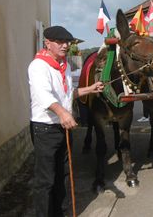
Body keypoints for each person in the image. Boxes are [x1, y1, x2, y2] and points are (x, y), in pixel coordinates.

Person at [28, 25, 104, 217]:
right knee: (45, 180)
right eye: (60, 42)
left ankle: (59, 213)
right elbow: (43, 96)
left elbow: (67, 94)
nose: (65, 46)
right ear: (47, 43)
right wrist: (63, 113)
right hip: (45, 129)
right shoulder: (38, 66)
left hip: (63, 127)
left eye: (67, 42)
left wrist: (90, 89)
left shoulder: (65, 66)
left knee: (63, 175)